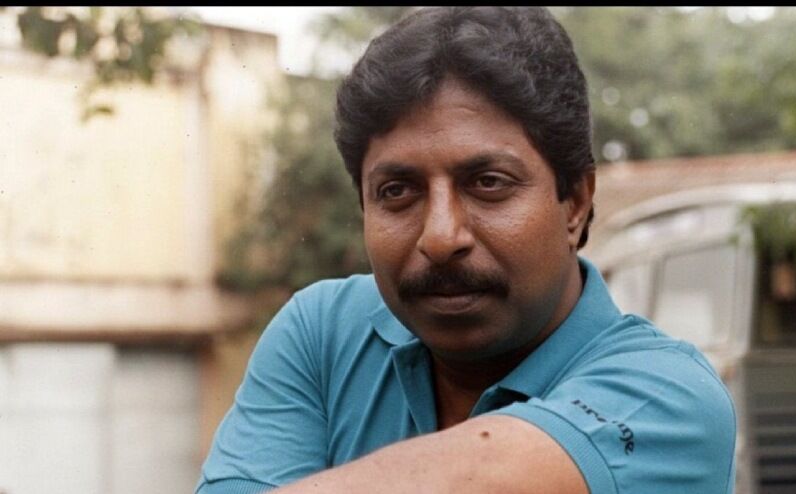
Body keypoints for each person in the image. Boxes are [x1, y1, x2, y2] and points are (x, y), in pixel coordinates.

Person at [196, 7, 736, 493]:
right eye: (397, 191)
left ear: (574, 201)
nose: (440, 237)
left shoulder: (668, 399)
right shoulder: (324, 337)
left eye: (488, 183)